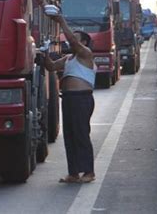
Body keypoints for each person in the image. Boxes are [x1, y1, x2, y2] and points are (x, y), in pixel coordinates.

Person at [42, 13, 97, 184]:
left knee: (81, 134)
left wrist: (62, 21)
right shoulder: (68, 59)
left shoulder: (86, 54)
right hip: (68, 99)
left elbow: (72, 41)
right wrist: (44, 54)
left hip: (82, 99)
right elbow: (50, 67)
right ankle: (73, 172)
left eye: (76, 38)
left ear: (84, 43)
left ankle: (89, 171)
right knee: (70, 136)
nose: (70, 41)